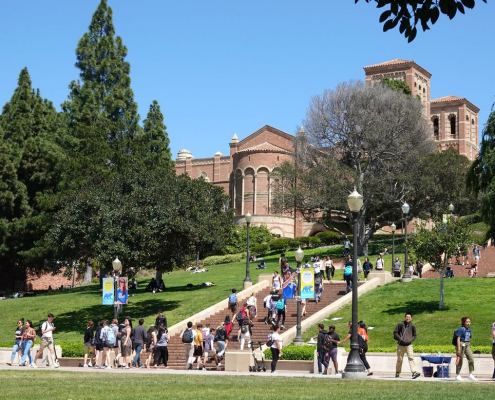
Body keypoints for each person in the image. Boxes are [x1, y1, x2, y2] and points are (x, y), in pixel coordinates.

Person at [393, 312, 420, 379]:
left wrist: (411, 340)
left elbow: (415, 335)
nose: (408, 318)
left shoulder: (412, 326)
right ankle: (397, 372)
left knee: (411, 357)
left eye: (409, 317)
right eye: (407, 317)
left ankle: (414, 372)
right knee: (400, 359)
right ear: (405, 317)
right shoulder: (400, 324)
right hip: (401, 345)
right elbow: (395, 332)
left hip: (409, 345)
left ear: (411, 318)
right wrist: (400, 339)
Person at [454, 316, 477, 381]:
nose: (468, 323)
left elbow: (470, 337)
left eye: (469, 322)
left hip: (467, 345)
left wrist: (469, 344)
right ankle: (457, 375)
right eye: (467, 322)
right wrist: (458, 348)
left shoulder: (469, 329)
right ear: (464, 322)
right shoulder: (461, 329)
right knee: (460, 360)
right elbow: (458, 339)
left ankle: (470, 374)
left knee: (471, 359)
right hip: (461, 344)